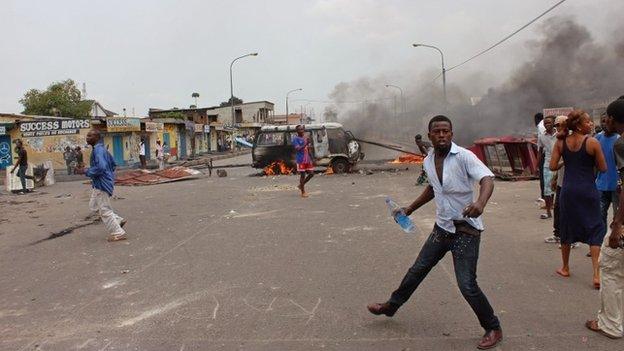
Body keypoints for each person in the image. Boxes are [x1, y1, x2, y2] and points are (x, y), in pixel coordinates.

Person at [367, 115, 503, 350]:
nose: (441, 135)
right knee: (417, 269)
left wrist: (480, 204)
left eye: (446, 131)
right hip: (442, 228)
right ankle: (392, 305)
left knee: (467, 284)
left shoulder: (464, 156)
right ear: (430, 135)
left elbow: (487, 179)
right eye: (437, 131)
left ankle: (493, 327)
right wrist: (410, 208)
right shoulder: (429, 159)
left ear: (452, 134)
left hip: (465, 230)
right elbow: (433, 188)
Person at [549, 110, 607, 289]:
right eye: (588, 122)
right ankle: (596, 274)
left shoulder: (560, 142)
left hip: (568, 190)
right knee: (594, 227)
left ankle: (565, 267)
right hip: (588, 190)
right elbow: (603, 167)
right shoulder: (592, 142)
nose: (590, 124)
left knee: (566, 226)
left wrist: (567, 162)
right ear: (579, 125)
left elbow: (552, 166)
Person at [586, 98, 624, 339]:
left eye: (608, 117)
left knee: (609, 267)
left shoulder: (622, 144)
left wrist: (618, 223)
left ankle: (610, 324)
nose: (605, 121)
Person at [76, 129, 127, 242]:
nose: (87, 138)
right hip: (100, 182)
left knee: (104, 210)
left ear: (97, 137)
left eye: (90, 136)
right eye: (87, 136)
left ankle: (118, 232)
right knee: (93, 206)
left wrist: (86, 171)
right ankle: (118, 220)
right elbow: (113, 164)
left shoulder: (98, 151)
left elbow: (101, 167)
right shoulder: (101, 149)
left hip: (102, 183)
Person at [595, 114, 620, 237]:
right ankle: (599, 245)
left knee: (618, 217)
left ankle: (617, 243)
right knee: (599, 216)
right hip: (600, 184)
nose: (605, 124)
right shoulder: (597, 139)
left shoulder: (619, 140)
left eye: (607, 121)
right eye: (602, 121)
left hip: (617, 185)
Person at [545, 115, 568, 244]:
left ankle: (571, 238)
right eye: (557, 125)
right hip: (560, 180)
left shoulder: (572, 140)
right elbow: (555, 164)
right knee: (558, 208)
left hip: (570, 182)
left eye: (560, 125)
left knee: (568, 210)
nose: (558, 127)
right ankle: (558, 234)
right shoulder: (558, 140)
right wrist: (555, 177)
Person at [537, 115, 557, 219]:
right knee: (547, 190)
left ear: (554, 123)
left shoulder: (560, 134)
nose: (547, 125)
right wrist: (537, 165)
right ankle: (548, 211)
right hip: (548, 164)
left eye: (549, 122)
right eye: (545, 123)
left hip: (561, 164)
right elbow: (540, 151)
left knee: (559, 188)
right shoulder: (542, 136)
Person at [293, 125, 314, 198]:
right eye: (300, 130)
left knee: (311, 174)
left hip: (307, 159)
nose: (301, 131)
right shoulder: (296, 139)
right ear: (297, 131)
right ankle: (303, 192)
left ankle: (301, 185)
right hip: (300, 159)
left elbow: (308, 149)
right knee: (303, 175)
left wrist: (312, 158)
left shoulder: (305, 138)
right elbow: (297, 149)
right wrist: (306, 143)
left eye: (302, 129)